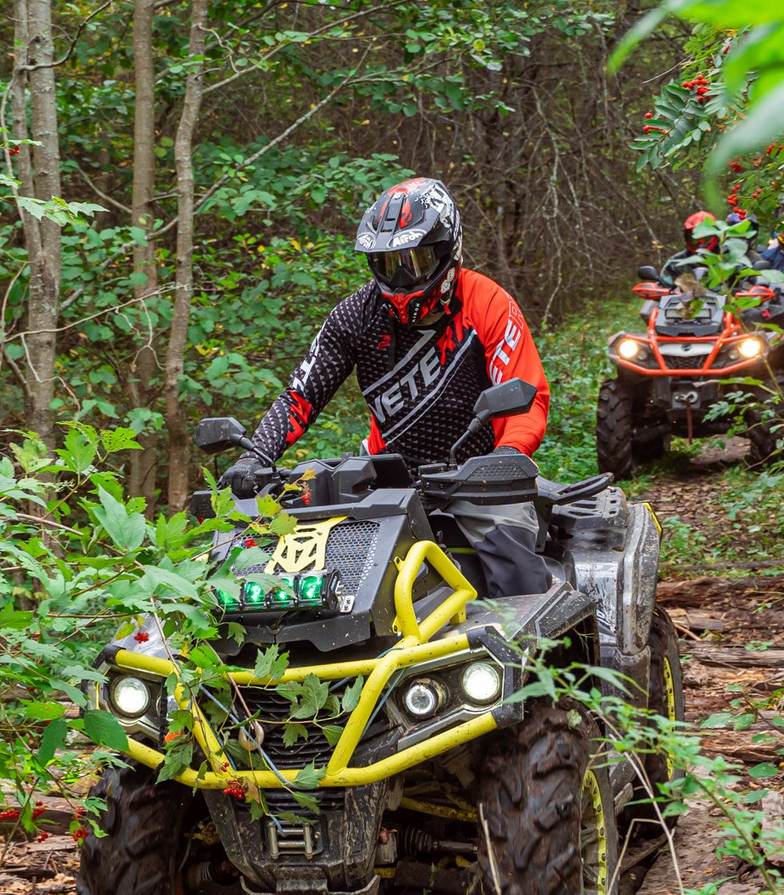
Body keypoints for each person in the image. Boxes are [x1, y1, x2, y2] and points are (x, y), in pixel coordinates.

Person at [236, 176, 555, 595]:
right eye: (388, 264)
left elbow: (527, 396)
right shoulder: (354, 316)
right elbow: (301, 393)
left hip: (480, 477)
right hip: (386, 473)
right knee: (306, 559)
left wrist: (508, 454)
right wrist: (255, 457)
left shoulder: (486, 302)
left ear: (448, 251)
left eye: (416, 260)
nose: (402, 278)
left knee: (515, 566)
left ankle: (535, 660)